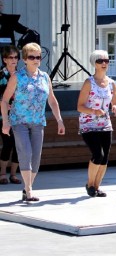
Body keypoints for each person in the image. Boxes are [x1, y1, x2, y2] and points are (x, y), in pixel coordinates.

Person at [1, 42, 65, 201]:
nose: (36, 60)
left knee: (36, 157)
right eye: (32, 57)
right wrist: (5, 122)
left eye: (38, 57)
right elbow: (4, 100)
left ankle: (26, 187)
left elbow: (52, 100)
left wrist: (60, 120)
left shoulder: (45, 77)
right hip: (19, 121)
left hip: (38, 121)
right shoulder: (17, 77)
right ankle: (29, 191)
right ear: (25, 59)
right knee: (26, 153)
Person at [77, 50, 116, 197]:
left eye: (106, 61)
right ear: (94, 64)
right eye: (100, 61)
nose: (104, 63)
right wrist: (94, 111)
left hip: (105, 124)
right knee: (98, 154)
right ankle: (90, 184)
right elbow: (80, 106)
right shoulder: (88, 83)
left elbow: (115, 103)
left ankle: (97, 187)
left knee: (105, 156)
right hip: (88, 124)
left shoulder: (112, 83)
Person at [0, 45, 21, 185]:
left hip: (20, 115)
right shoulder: (1, 75)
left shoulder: (22, 75)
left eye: (16, 57)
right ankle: (2, 173)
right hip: (3, 115)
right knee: (7, 143)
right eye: (10, 57)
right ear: (4, 59)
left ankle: (13, 174)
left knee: (19, 144)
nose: (14, 60)